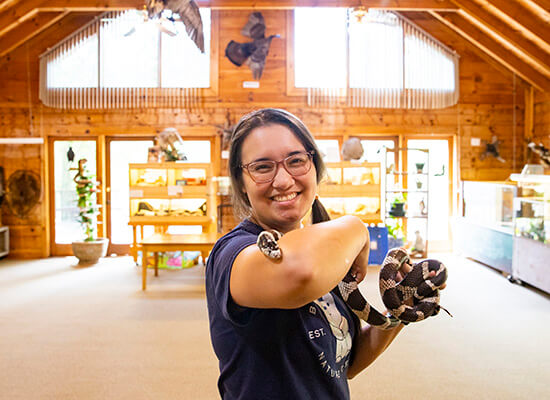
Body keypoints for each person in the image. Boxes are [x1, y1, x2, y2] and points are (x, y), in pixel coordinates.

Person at [206, 108, 409, 399]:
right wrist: (357, 226)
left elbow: (345, 362)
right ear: (241, 182)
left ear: (315, 167)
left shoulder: (327, 253)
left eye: (296, 161)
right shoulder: (232, 255)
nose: (284, 180)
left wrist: (397, 312)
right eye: (263, 167)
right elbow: (300, 273)